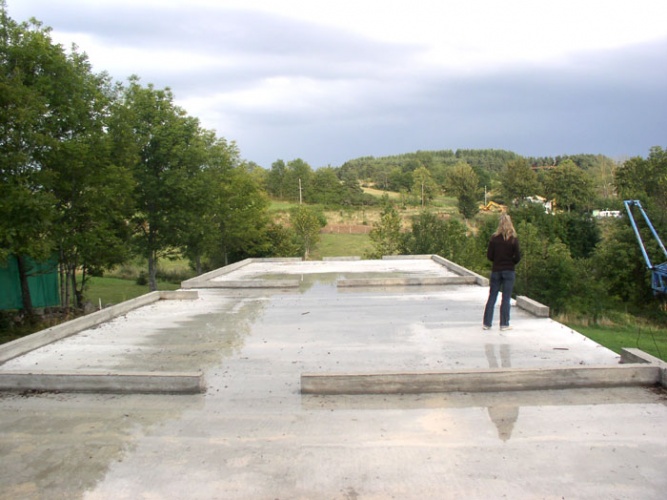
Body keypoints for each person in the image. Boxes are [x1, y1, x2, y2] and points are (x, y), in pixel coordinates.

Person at [483, 213, 521, 331]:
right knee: (506, 298)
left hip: (496, 270)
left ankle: (487, 323)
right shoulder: (513, 239)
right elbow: (518, 256)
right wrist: (511, 262)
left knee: (492, 296)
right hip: (509, 270)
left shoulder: (494, 239)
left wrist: (497, 261)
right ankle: (504, 324)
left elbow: (489, 256)